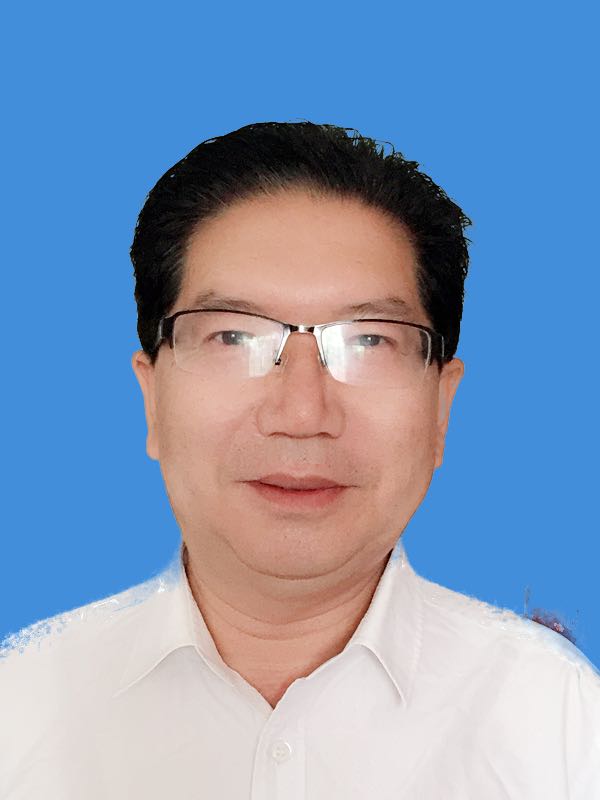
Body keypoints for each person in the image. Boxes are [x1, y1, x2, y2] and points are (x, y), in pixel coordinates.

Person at [1, 121, 598, 799]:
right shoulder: (20, 706)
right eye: (234, 337)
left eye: (369, 342)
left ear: (441, 408)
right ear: (152, 398)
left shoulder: (563, 722)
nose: (302, 412)